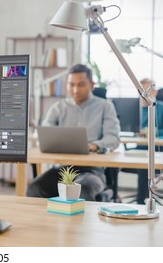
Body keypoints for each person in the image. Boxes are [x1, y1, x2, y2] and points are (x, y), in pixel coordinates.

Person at [27, 64, 120, 201]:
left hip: (92, 171)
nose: (75, 90)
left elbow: (113, 138)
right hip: (62, 169)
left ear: (92, 84)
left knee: (81, 190)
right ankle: (42, 222)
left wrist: (94, 145)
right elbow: (44, 135)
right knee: (35, 188)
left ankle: (78, 223)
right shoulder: (58, 107)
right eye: (71, 84)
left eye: (81, 84)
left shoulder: (105, 107)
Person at [127, 78, 163, 204]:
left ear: (154, 92)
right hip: (140, 146)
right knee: (119, 156)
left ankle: (142, 200)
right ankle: (114, 194)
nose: (143, 95)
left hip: (157, 148)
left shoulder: (160, 108)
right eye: (140, 92)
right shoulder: (134, 108)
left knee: (145, 160)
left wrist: (152, 133)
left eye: (146, 92)